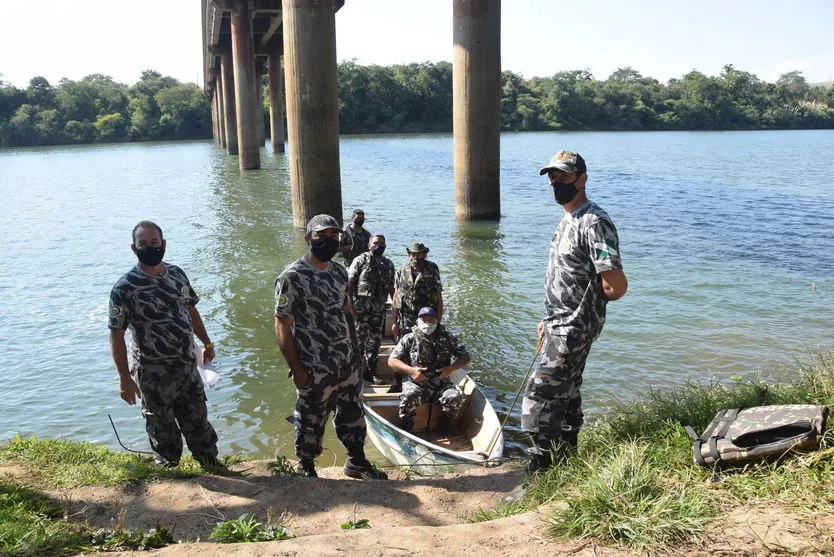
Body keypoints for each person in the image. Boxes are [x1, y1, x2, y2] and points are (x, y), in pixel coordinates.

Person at [522, 149, 628, 473]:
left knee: (539, 398)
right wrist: (549, 320)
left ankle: (540, 471)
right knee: (567, 396)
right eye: (552, 176)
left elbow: (616, 285)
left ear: (582, 179)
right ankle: (566, 465)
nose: (556, 182)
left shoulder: (594, 222)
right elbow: (566, 277)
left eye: (564, 175)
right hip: (558, 325)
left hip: (572, 328)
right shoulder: (567, 220)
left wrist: (582, 315)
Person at [274, 214, 387, 480]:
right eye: (321, 237)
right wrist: (297, 369)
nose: (329, 241)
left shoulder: (338, 271)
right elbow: (282, 326)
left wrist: (356, 352)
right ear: (308, 239)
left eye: (333, 236)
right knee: (311, 420)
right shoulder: (292, 277)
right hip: (314, 367)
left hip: (345, 362)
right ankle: (307, 468)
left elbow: (347, 310)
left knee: (353, 416)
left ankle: (356, 462)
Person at [108, 220, 221, 470]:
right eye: (143, 244)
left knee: (198, 420)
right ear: (133, 248)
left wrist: (206, 341)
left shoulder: (177, 274)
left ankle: (211, 465)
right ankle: (170, 472)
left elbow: (191, 310)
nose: (150, 247)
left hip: (187, 366)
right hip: (152, 371)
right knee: (162, 426)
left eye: (154, 243)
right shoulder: (125, 288)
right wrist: (124, 377)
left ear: (164, 244)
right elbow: (116, 334)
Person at [387, 307, 470, 432]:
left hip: (441, 384)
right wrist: (411, 371)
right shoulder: (409, 338)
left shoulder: (448, 337)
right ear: (417, 322)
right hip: (417, 383)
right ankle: (407, 426)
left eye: (431, 320)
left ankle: (445, 426)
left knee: (454, 397)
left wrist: (450, 369)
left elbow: (465, 357)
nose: (427, 323)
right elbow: (392, 361)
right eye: (424, 320)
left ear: (437, 322)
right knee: (409, 396)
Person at [348, 234, 396, 385]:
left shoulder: (388, 264)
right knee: (358, 343)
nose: (378, 245)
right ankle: (355, 374)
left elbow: (391, 289)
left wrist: (395, 310)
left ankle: (370, 372)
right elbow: (349, 284)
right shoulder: (360, 260)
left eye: (382, 243)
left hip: (378, 311)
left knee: (375, 343)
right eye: (375, 243)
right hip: (360, 311)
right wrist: (351, 308)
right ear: (369, 245)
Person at [392, 242, 443, 339]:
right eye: (413, 254)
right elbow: (396, 295)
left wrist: (438, 321)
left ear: (424, 254)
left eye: (419, 254)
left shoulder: (432, 269)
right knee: (405, 343)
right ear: (409, 255)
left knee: (426, 344)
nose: (416, 257)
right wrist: (394, 322)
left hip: (426, 316)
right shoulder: (401, 270)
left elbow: (438, 295)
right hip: (406, 317)